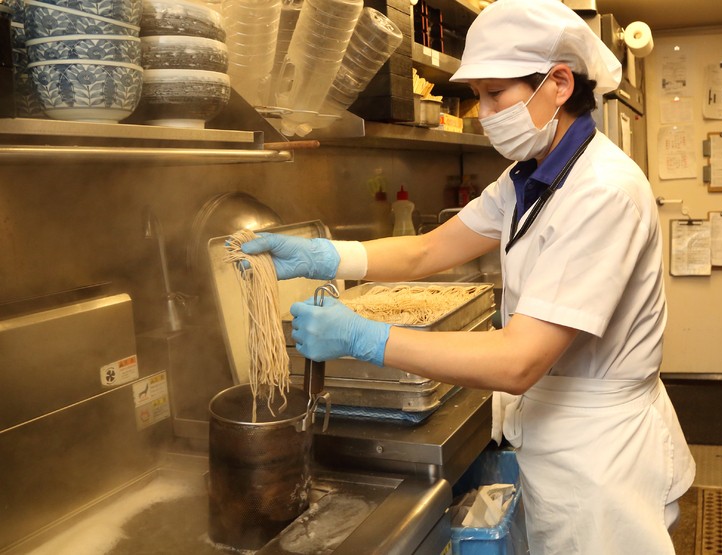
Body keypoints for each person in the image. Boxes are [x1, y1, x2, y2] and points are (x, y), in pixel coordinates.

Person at [239, 0, 695, 552]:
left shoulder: (602, 192)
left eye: (495, 93)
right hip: (560, 435)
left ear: (558, 83)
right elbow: (428, 250)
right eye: (477, 94)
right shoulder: (529, 177)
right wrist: (325, 256)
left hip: (601, 458)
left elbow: (519, 360)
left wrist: (363, 337)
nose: (483, 111)